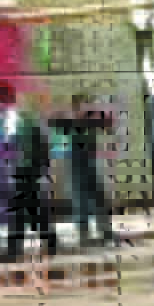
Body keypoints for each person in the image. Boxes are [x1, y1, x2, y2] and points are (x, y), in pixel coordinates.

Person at [0, 83, 62, 259]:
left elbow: (11, 147)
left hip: (24, 170)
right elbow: (41, 146)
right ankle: (48, 244)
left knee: (22, 212)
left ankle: (15, 249)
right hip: (29, 170)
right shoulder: (26, 119)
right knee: (36, 210)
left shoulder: (16, 120)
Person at [61, 94, 117, 245]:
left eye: (89, 103)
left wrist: (107, 120)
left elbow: (109, 129)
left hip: (90, 161)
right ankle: (84, 235)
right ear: (77, 106)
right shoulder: (71, 120)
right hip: (75, 161)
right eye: (86, 104)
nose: (89, 106)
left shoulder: (91, 119)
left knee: (99, 197)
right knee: (80, 199)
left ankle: (106, 230)